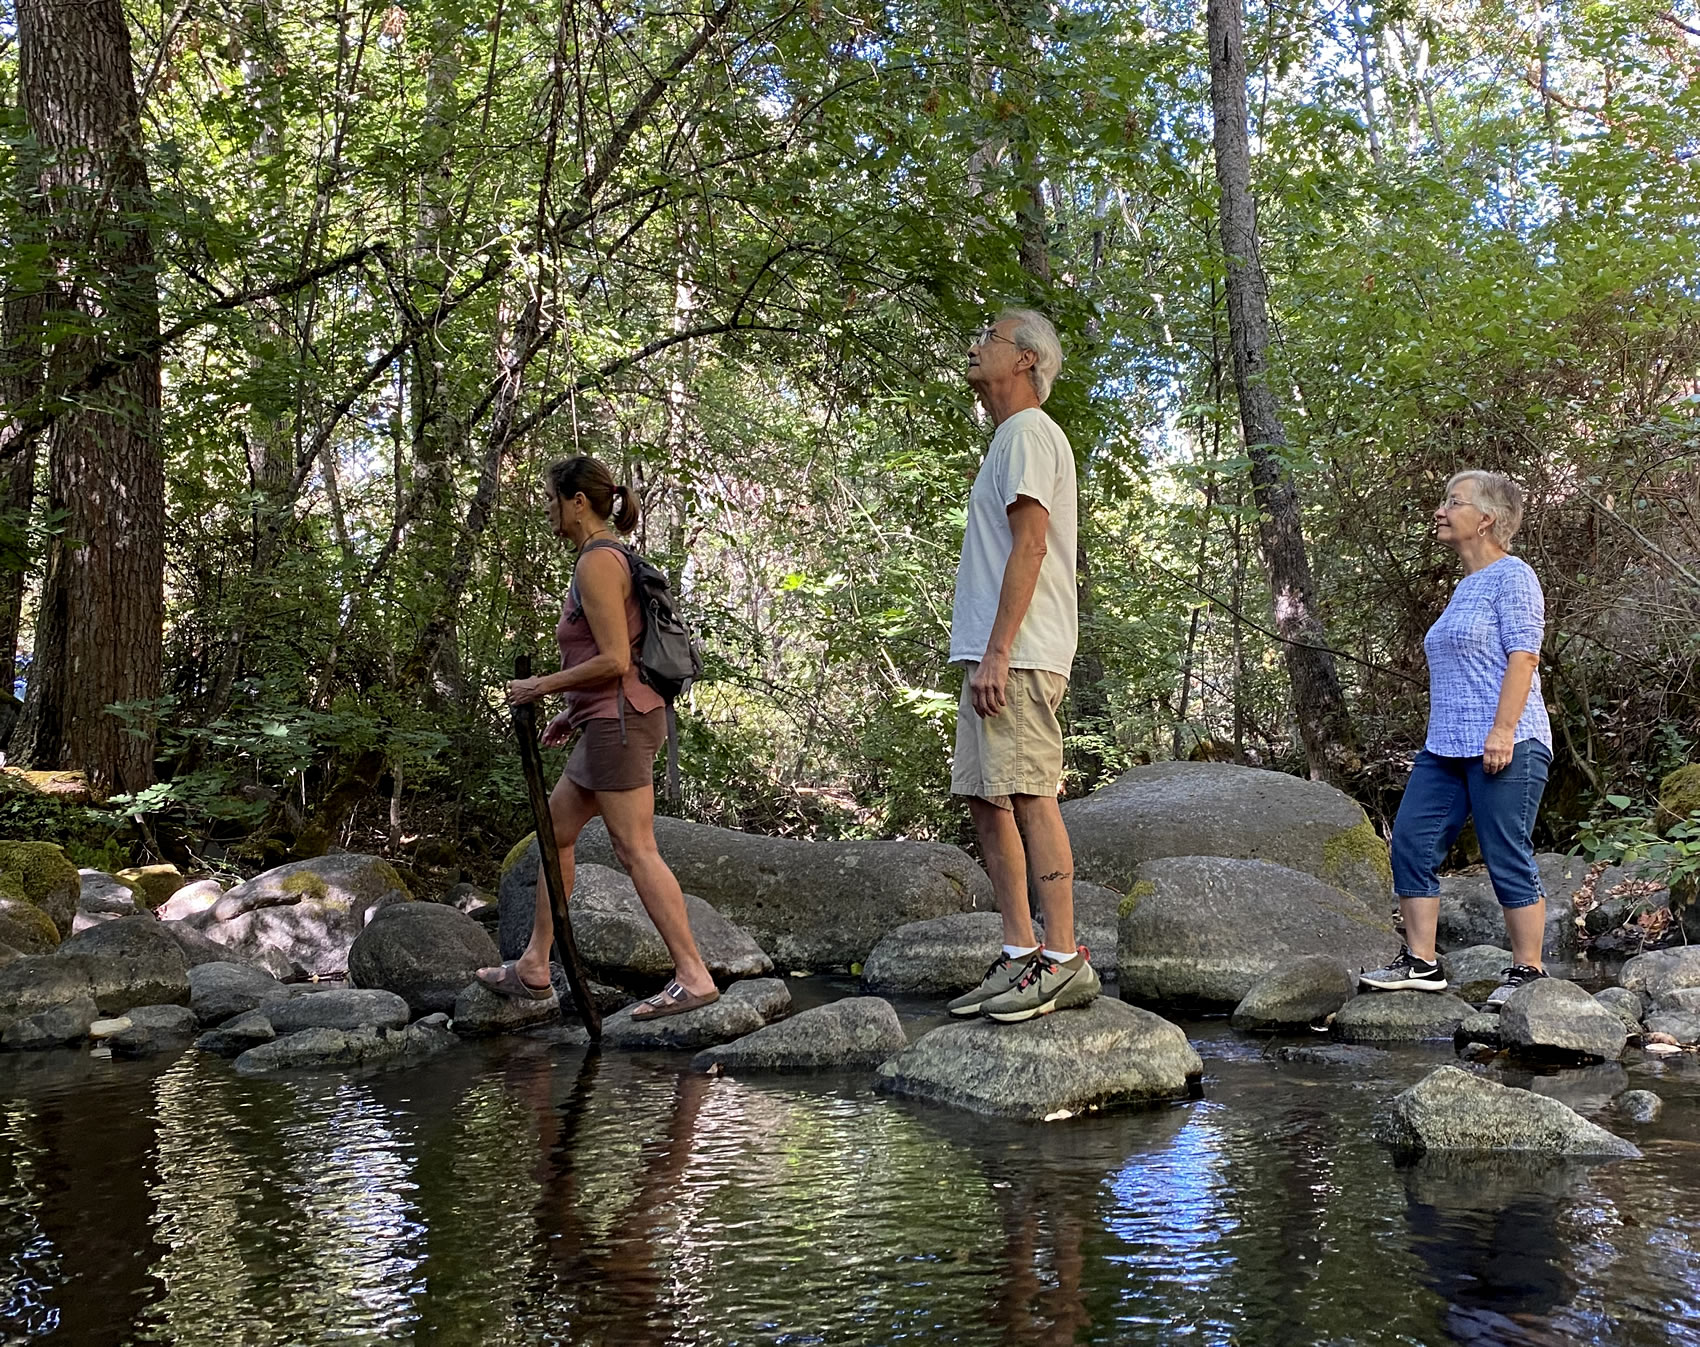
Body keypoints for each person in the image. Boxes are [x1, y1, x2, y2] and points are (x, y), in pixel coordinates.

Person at [482, 455, 718, 1020]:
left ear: (577, 501)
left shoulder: (597, 563)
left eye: (550, 499)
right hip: (607, 722)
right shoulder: (609, 557)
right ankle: (535, 966)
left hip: (622, 725)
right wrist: (573, 713)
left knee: (634, 849)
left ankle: (693, 976)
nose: (547, 509)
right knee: (554, 834)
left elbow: (614, 660)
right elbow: (617, 657)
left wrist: (540, 686)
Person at [943, 308, 1100, 1023]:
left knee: (1031, 791)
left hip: (1022, 650)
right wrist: (984, 651)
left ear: (1028, 360)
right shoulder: (1007, 437)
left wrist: (1003, 648)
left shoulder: (1033, 431)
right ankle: (1018, 951)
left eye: (992, 339)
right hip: (990, 651)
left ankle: (1063, 958)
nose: (976, 347)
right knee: (986, 795)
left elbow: (1031, 546)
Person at [1360, 470, 1553, 1010]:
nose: (1440, 511)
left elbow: (1524, 657)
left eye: (1453, 502)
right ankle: (1422, 963)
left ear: (1486, 519)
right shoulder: (1466, 587)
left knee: (1503, 849)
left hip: (1507, 742)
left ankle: (1528, 971)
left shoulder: (1514, 576)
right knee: (1411, 842)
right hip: (1445, 746)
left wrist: (1503, 731)